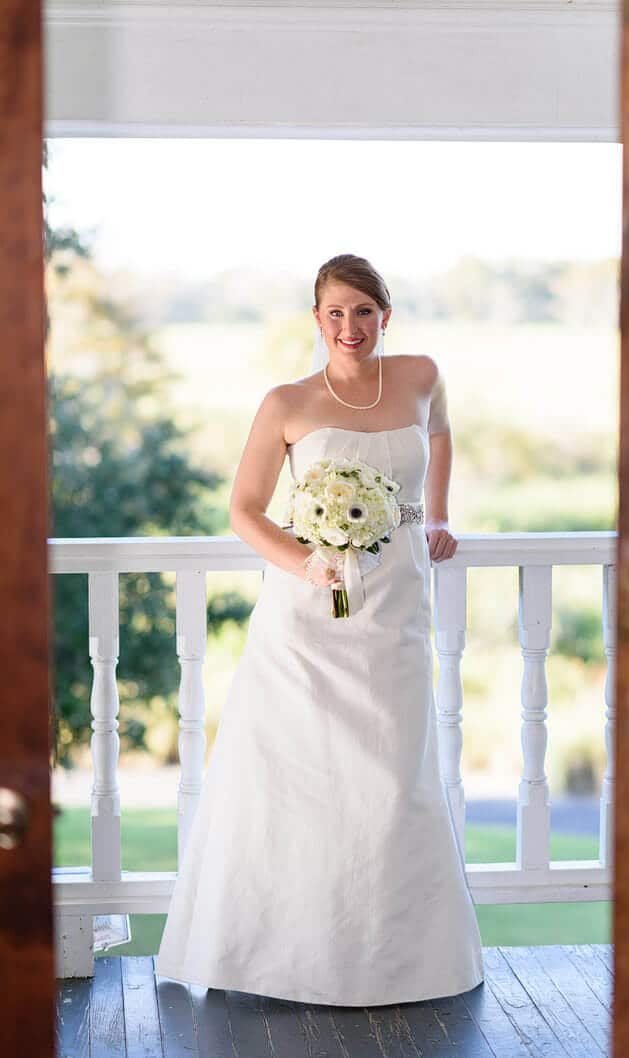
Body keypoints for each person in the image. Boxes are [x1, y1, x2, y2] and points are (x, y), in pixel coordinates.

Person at [155, 254, 482, 1005]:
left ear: (385, 316)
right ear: (316, 320)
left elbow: (440, 437)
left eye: (363, 312)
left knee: (394, 773)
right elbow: (244, 510)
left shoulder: (422, 374)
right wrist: (305, 566)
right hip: (308, 612)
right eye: (335, 314)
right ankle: (277, 958)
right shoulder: (286, 403)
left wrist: (436, 514)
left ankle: (397, 959)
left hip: (397, 596)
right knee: (299, 772)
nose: (349, 327)